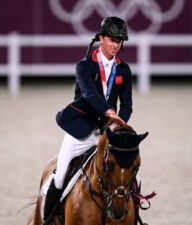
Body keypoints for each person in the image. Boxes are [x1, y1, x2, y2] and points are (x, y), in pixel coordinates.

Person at [42, 16, 134, 225]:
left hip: (107, 134)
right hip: (80, 131)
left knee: (128, 175)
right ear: (101, 38)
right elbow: (90, 95)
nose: (115, 45)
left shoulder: (124, 70)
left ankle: (134, 217)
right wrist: (110, 112)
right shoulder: (84, 66)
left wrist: (120, 123)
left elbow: (127, 105)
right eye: (111, 39)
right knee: (61, 174)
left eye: (119, 41)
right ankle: (47, 220)